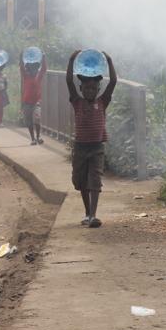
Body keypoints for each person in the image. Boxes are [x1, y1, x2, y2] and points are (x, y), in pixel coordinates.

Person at [66, 50, 117, 228]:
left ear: (98, 90)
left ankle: (94, 215)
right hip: (80, 147)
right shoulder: (77, 101)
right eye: (86, 88)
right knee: (80, 181)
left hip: (96, 148)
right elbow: (69, 82)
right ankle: (87, 213)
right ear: (81, 89)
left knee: (95, 179)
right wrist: (72, 60)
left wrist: (109, 61)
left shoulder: (102, 102)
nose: (90, 91)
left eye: (93, 88)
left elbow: (113, 83)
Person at [20, 52, 47, 145]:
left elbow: (44, 69)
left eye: (35, 68)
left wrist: (43, 58)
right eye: (31, 68)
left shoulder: (38, 77)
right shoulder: (26, 76)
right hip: (27, 102)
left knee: (37, 119)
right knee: (29, 122)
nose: (33, 70)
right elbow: (21, 68)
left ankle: (38, 136)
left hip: (36, 102)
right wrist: (21, 58)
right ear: (28, 69)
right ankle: (33, 138)